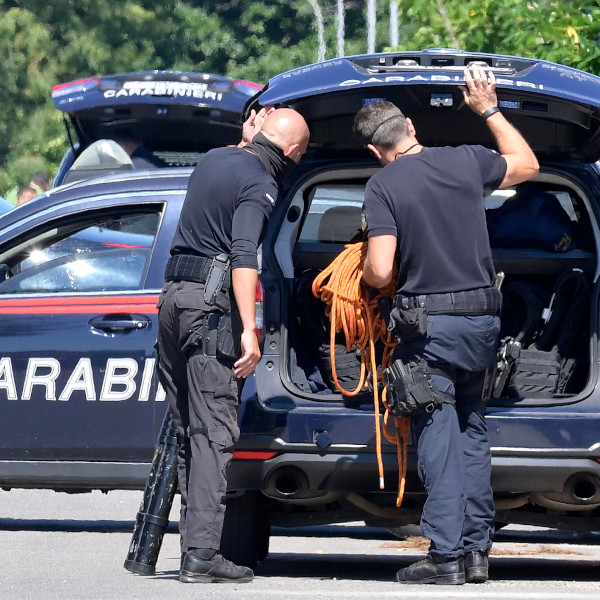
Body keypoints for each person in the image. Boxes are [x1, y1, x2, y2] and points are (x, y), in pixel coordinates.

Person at [353, 65, 539, 585]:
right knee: (471, 429)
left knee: (436, 433)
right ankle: (478, 551)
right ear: (411, 126)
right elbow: (527, 163)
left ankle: (445, 555)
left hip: (429, 330)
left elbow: (382, 269)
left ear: (375, 150)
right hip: (482, 323)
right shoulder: (465, 161)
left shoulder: (382, 186)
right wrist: (489, 110)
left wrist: (366, 268)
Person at [156, 107, 309, 584]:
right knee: (213, 434)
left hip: (173, 303)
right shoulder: (260, 185)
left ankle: (193, 547)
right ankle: (202, 554)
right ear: (292, 152)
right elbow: (245, 255)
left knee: (189, 431)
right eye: (301, 152)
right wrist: (249, 328)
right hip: (210, 312)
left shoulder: (212, 161)